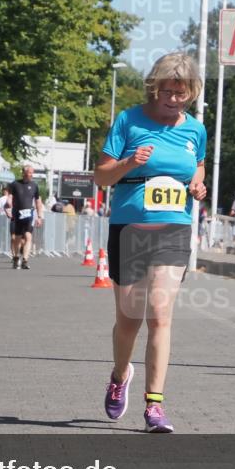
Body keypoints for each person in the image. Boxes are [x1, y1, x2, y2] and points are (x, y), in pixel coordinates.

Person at [94, 52, 207, 433]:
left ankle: (154, 406)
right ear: (153, 87)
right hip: (130, 228)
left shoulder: (195, 130)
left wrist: (197, 183)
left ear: (191, 94)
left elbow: (199, 163)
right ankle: (120, 374)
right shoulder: (128, 120)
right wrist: (129, 163)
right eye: (167, 91)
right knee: (129, 321)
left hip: (174, 229)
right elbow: (101, 178)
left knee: (160, 316)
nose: (173, 99)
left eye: (181, 93)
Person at [5, 165, 43, 270]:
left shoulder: (34, 185)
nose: (31, 175)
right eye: (29, 173)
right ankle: (16, 257)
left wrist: (39, 216)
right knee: (17, 238)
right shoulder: (15, 184)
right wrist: (8, 203)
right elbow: (10, 197)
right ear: (24, 173)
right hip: (17, 214)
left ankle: (25, 260)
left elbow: (38, 201)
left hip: (29, 214)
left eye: (32, 173)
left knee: (28, 237)